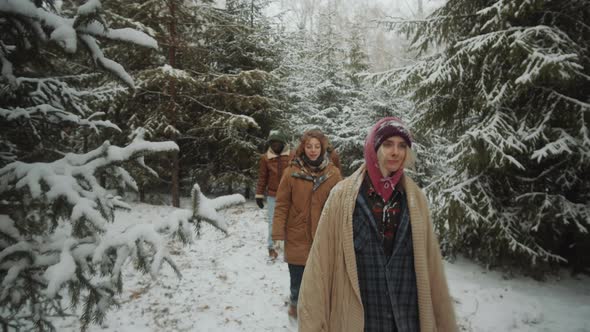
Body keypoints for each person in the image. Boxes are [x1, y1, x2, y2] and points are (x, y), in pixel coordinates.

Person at [298, 117, 457, 331]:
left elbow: (432, 270)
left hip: (406, 319)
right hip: (363, 320)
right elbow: (320, 265)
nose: (396, 152)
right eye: (388, 144)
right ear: (374, 148)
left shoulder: (414, 198)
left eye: (402, 146)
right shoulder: (343, 196)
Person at [272, 129, 342, 320]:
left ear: (323, 148)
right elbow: (281, 205)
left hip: (323, 234)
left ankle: (319, 307)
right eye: (309, 146)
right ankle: (295, 303)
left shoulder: (333, 174)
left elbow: (340, 207)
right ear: (303, 148)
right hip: (297, 234)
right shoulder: (291, 173)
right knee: (298, 275)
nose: (313, 150)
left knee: (321, 276)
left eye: (317, 146)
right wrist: (277, 234)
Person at [255, 130, 292, 260]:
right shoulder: (266, 158)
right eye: (272, 142)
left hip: (290, 195)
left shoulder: (292, 156)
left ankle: (288, 246)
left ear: (282, 142)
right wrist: (259, 194)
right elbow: (262, 177)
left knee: (290, 221)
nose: (275, 144)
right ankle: (271, 247)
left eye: (277, 142)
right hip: (273, 195)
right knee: (272, 222)